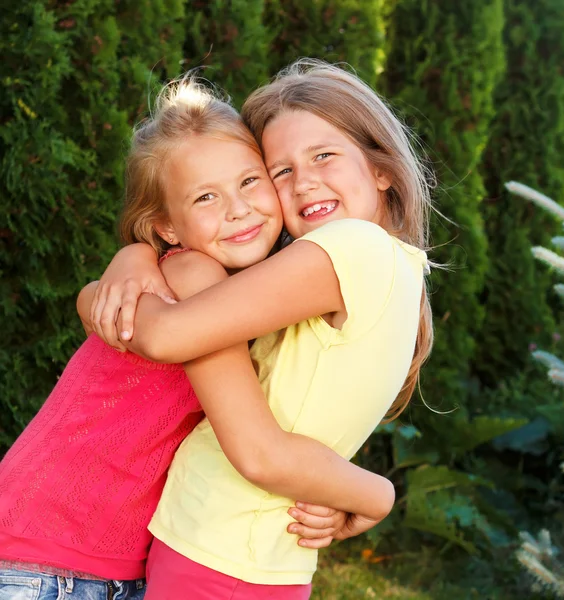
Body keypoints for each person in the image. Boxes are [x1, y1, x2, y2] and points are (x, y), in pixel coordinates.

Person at [0, 77, 392, 600]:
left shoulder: (251, 291)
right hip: (44, 555)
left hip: (107, 558)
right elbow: (254, 440)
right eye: (206, 196)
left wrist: (132, 256)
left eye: (251, 181)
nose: (237, 209)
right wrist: (372, 491)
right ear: (167, 228)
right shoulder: (195, 274)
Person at [87, 59, 434, 599]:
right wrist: (136, 256)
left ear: (382, 168)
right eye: (281, 171)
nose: (305, 182)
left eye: (324, 156)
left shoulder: (355, 248)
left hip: (217, 553)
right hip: (260, 561)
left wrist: (100, 289)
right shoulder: (388, 270)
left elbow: (162, 335)